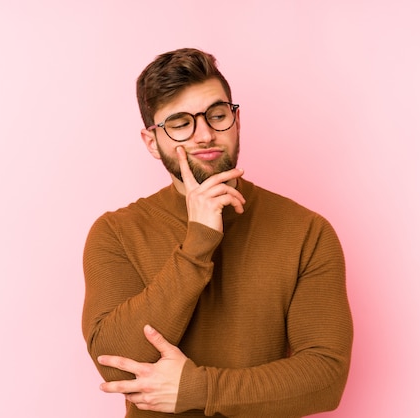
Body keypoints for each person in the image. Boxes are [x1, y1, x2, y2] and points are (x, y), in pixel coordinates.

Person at [82, 48, 353, 418]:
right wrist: (197, 244)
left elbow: (326, 378)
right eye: (180, 123)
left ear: (236, 119)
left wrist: (199, 389)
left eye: (217, 115)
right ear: (151, 141)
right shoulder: (116, 233)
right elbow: (115, 366)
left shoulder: (307, 232)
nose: (205, 134)